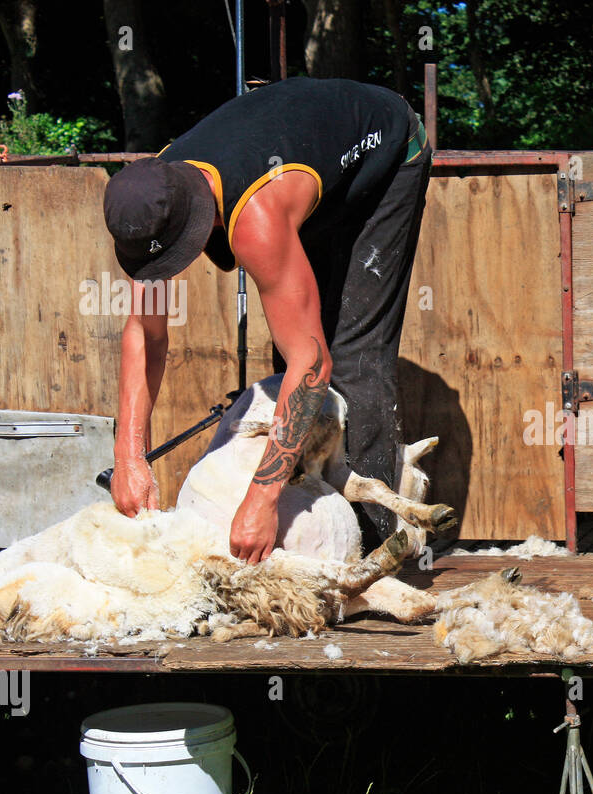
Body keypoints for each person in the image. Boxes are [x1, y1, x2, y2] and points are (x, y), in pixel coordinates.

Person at [102, 76, 431, 564]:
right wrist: (128, 458)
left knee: (350, 355)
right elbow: (146, 337)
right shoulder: (152, 197)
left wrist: (260, 499)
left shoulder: (255, 219)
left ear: (193, 224)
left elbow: (313, 364)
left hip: (385, 151)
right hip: (303, 159)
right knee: (293, 357)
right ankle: (309, 522)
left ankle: (372, 553)